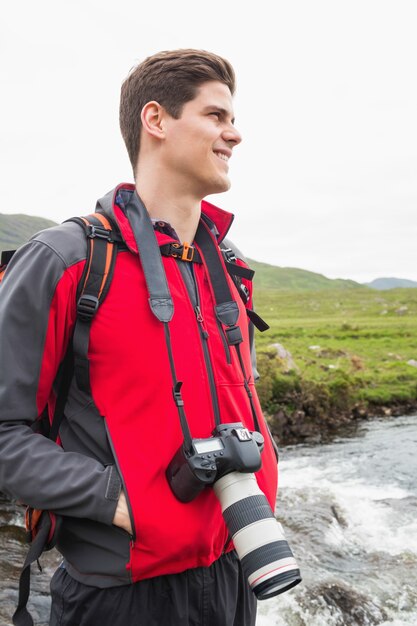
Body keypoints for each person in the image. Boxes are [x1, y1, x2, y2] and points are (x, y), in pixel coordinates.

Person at [0, 49, 278, 626]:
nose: (235, 134)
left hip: (234, 575)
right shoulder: (68, 260)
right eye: (216, 116)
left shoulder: (228, 267)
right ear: (156, 120)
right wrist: (116, 501)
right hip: (119, 595)